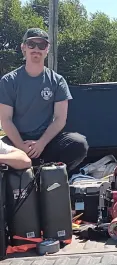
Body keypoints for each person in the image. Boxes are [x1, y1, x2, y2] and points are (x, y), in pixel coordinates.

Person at [0, 28, 88, 172]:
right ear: (23, 48)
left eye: (41, 45)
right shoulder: (9, 81)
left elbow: (60, 119)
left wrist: (41, 143)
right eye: (31, 44)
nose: (36, 49)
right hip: (16, 142)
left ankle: (50, 177)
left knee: (79, 143)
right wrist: (21, 147)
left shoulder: (57, 81)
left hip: (45, 142)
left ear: (47, 49)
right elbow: (6, 120)